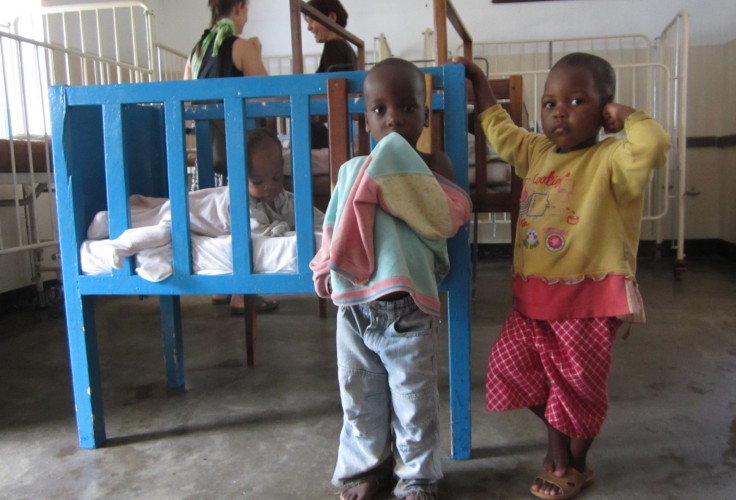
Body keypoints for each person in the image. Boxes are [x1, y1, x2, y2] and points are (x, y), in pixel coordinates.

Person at [455, 53, 670, 500]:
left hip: (589, 304)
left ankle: (575, 463)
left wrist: (626, 116)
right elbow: (498, 128)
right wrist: (478, 81)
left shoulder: (612, 159)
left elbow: (652, 144)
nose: (559, 110)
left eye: (577, 100)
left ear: (604, 109)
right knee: (506, 368)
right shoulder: (536, 152)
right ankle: (558, 447)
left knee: (579, 389)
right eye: (550, 102)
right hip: (532, 301)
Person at [309, 58, 472, 500]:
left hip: (407, 306)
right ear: (366, 119)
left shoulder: (433, 164)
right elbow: (335, 226)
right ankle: (368, 469)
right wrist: (325, 263)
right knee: (359, 399)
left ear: (425, 113)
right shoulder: (353, 169)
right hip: (354, 307)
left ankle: (417, 478)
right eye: (380, 110)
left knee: (414, 403)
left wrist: (399, 163)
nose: (394, 118)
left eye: (407, 107)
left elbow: (449, 215)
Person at [87, 129, 322, 301]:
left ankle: (118, 228)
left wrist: (320, 223)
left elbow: (293, 209)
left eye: (276, 177)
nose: (269, 186)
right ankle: (110, 228)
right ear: (239, 177)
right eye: (258, 181)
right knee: (159, 229)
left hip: (194, 217)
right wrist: (286, 229)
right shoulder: (240, 201)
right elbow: (261, 234)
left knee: (162, 229)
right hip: (185, 213)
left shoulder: (275, 195)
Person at [183, 0, 272, 313]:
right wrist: (257, 53)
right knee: (242, 217)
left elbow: (186, 97)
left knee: (216, 219)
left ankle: (220, 287)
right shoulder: (242, 46)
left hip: (207, 151)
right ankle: (241, 293)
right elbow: (265, 94)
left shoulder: (196, 51)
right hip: (236, 146)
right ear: (239, 8)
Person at [304, 0, 358, 149]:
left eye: (311, 20)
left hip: (340, 122)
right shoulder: (345, 47)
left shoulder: (334, 46)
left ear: (331, 17)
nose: (308, 27)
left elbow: (331, 90)